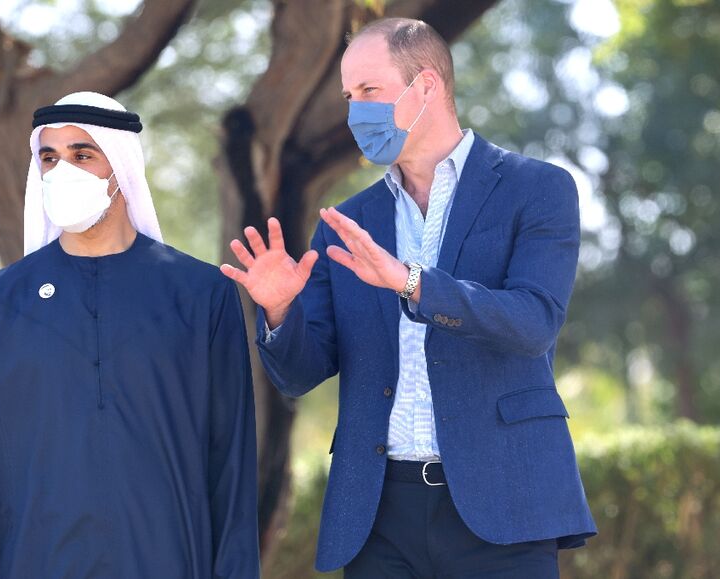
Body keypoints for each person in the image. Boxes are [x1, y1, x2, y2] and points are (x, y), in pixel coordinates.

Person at [222, 18, 596, 578]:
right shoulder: (346, 225)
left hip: (503, 507)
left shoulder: (537, 189)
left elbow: (533, 322)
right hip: (378, 516)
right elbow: (299, 375)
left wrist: (410, 282)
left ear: (427, 86)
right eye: (349, 97)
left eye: (369, 92)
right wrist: (278, 311)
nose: (355, 114)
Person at [0, 92, 259, 578]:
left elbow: (230, 468)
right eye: (49, 158)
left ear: (120, 168)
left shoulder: (201, 295)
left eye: (82, 155)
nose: (63, 171)